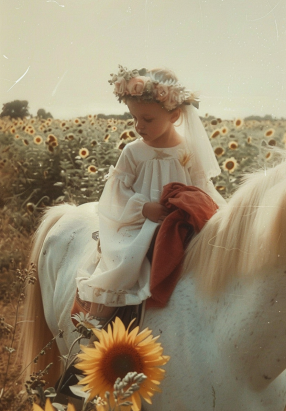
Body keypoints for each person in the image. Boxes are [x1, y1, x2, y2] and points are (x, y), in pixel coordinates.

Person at [73, 65, 226, 324]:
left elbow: (202, 188)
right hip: (138, 222)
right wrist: (144, 207)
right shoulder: (134, 152)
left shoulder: (187, 150)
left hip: (180, 222)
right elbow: (116, 192)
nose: (138, 126)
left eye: (148, 119)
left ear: (175, 115)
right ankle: (96, 326)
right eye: (134, 118)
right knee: (125, 262)